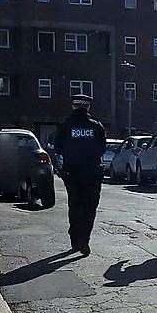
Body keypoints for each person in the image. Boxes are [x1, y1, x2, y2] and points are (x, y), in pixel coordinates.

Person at [54, 94, 106, 256]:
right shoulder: (96, 126)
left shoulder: (65, 125)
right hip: (92, 173)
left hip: (72, 172)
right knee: (90, 207)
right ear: (88, 107)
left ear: (74, 106)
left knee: (75, 206)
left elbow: (57, 148)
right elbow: (102, 148)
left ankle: (75, 239)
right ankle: (84, 240)